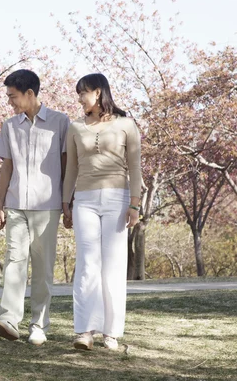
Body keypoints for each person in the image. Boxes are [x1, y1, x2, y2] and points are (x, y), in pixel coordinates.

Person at [0, 69, 70, 346]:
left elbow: (67, 164)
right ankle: (9, 319)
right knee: (14, 261)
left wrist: (67, 201)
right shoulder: (9, 125)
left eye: (13, 96)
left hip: (47, 206)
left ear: (30, 93)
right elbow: (6, 167)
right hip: (15, 205)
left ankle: (38, 325)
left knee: (43, 266)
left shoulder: (60, 122)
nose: (10, 102)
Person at [62, 73, 142, 350]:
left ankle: (111, 332)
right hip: (83, 199)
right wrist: (65, 202)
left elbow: (135, 166)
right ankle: (85, 331)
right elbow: (71, 167)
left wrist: (135, 203)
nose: (80, 99)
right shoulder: (75, 127)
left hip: (117, 198)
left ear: (98, 92)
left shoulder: (126, 124)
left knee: (113, 265)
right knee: (87, 263)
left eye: (82, 93)